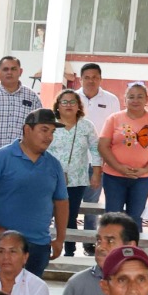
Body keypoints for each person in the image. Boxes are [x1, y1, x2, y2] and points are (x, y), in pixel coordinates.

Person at [0, 107, 68, 276]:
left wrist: (60, 239)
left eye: (52, 132)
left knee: (31, 290)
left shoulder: (54, 164)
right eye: (44, 130)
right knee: (2, 290)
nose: (49, 137)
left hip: (40, 244)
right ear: (27, 129)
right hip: (6, 243)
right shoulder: (1, 157)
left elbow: (61, 201)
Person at [97, 82, 148, 220]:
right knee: (113, 217)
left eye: (140, 97)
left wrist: (145, 169)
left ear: (146, 99)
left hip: (142, 178)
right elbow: (102, 146)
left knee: (135, 218)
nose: (135, 100)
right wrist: (119, 167)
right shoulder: (114, 119)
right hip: (114, 177)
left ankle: (132, 236)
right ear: (125, 100)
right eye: (131, 97)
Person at [48, 89, 102, 258]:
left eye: (73, 102)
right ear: (58, 106)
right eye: (64, 102)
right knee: (46, 214)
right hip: (50, 179)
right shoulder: (50, 125)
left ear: (79, 106)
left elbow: (96, 150)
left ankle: (69, 251)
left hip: (77, 180)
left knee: (70, 216)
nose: (68, 105)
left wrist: (96, 173)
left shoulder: (87, 126)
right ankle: (45, 248)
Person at [77, 63, 120, 137]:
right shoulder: (72, 98)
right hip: (76, 142)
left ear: (100, 79)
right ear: (80, 80)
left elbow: (116, 125)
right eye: (87, 77)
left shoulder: (112, 100)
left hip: (101, 142)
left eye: (94, 77)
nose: (91, 81)